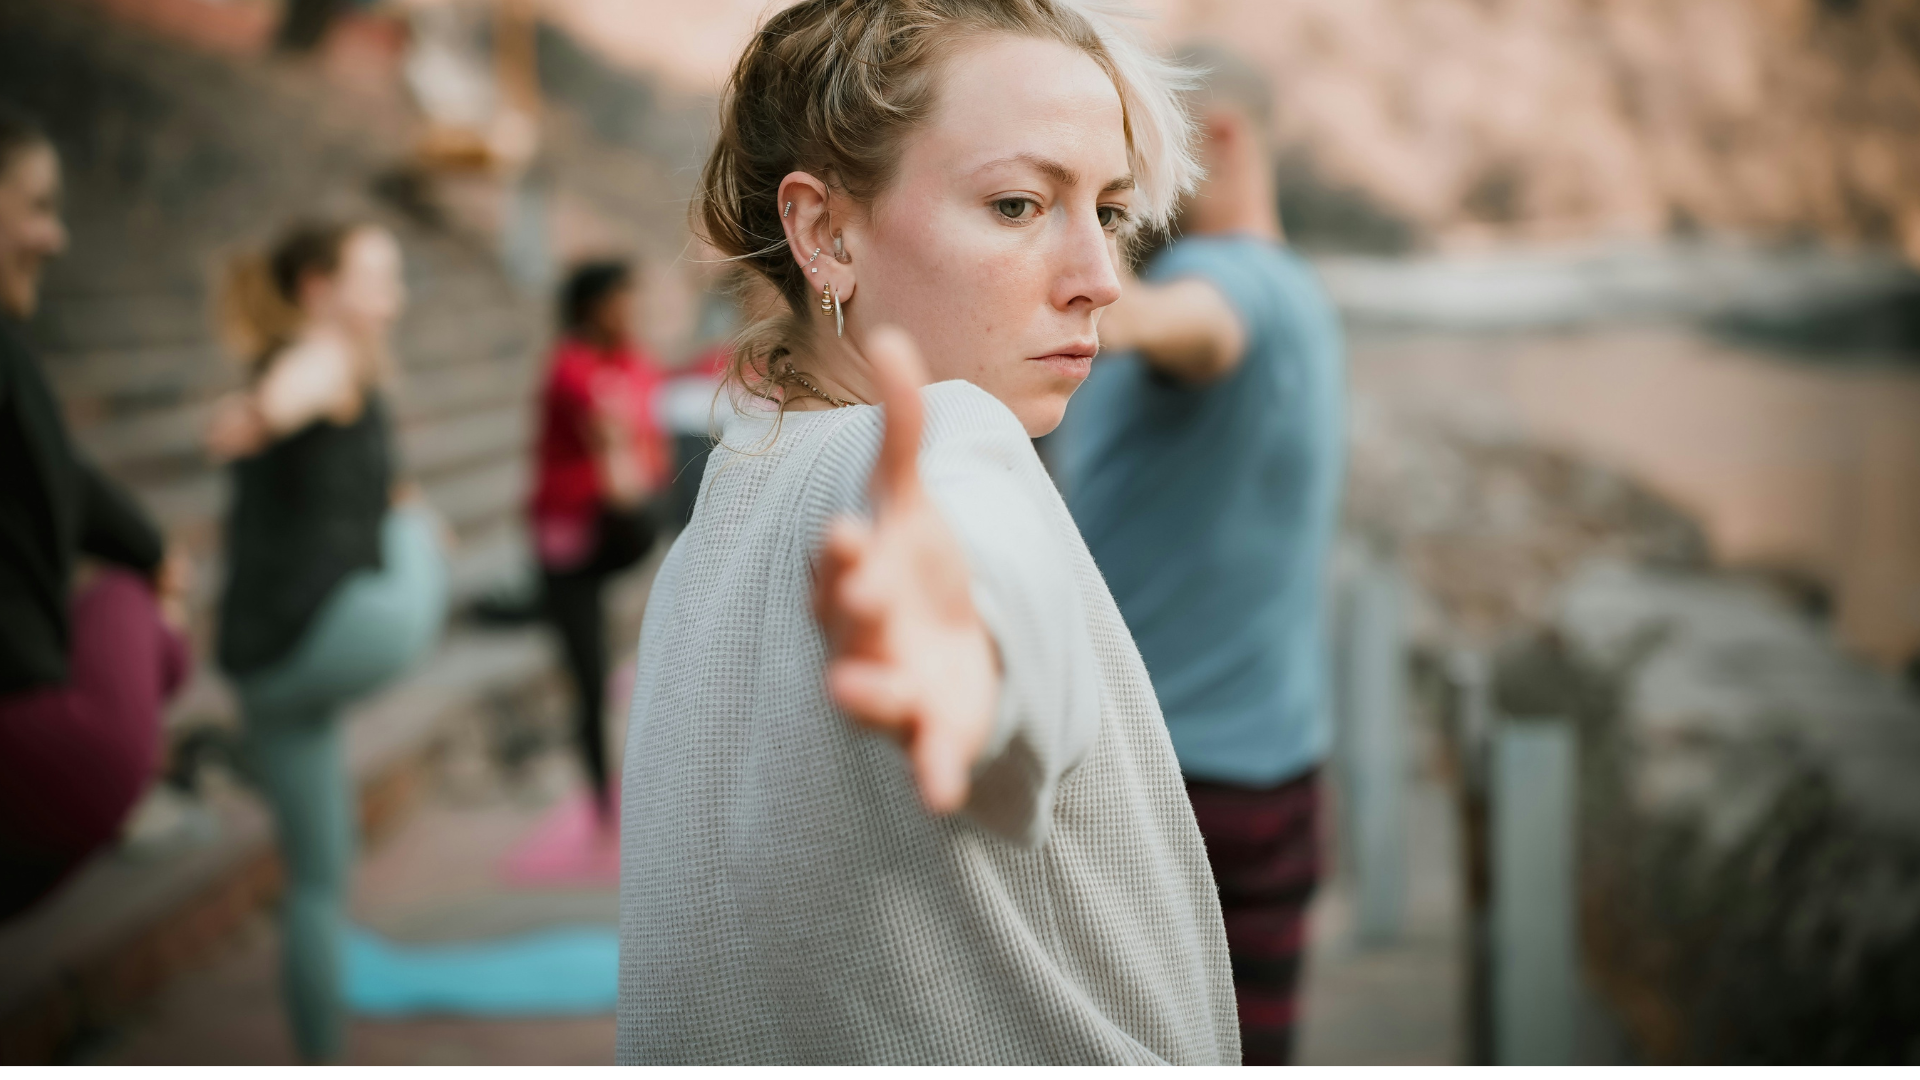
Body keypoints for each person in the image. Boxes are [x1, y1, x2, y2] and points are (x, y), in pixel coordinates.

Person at [616, 0, 1236, 1064]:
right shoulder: (951, 443)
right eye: (1015, 204)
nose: (1099, 278)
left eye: (1113, 213)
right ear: (825, 233)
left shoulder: (718, 530)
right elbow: (980, 571)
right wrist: (970, 649)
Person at [1054, 42, 1347, 1064]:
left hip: (1172, 795)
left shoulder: (1224, 286)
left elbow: (1188, 327)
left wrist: (1047, 278)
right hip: (1276, 778)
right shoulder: (1301, 293)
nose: (1114, 198)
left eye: (1121, 162)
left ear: (1214, 136)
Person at [206, 218, 448, 1063]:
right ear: (317, 288)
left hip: (260, 666)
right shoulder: (323, 357)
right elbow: (298, 385)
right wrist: (261, 414)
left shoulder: (330, 365)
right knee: (421, 534)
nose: (393, 298)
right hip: (331, 633)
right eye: (375, 279)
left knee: (317, 877)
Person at [0, 102, 192, 921]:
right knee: (134, 612)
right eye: (37, 207)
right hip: (44, 748)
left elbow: (63, 476)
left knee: (149, 627)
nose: (55, 238)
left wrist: (147, 544)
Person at [529, 258, 670, 815]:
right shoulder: (570, 368)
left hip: (615, 535)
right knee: (584, 677)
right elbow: (620, 464)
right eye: (621, 300)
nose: (632, 312)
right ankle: (600, 805)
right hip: (569, 543)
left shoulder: (634, 363)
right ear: (593, 307)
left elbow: (648, 453)